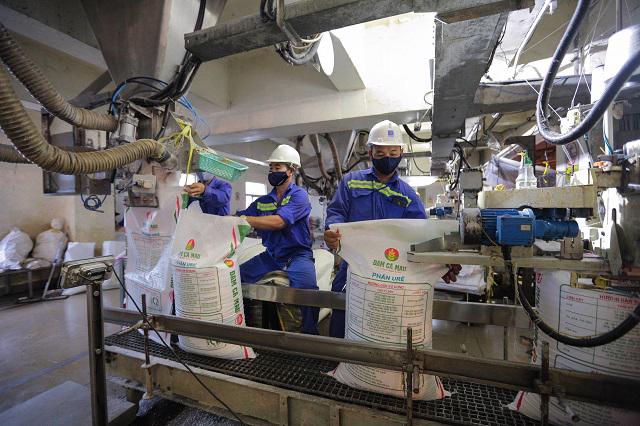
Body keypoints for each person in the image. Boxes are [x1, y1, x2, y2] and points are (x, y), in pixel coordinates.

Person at [324, 120, 459, 338]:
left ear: (402, 153)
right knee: (342, 315)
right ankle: (341, 363)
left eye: (392, 151)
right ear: (370, 152)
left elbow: (421, 236)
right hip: (353, 268)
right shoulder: (351, 182)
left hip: (392, 273)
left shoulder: (408, 195)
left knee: (386, 323)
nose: (386, 156)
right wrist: (332, 231)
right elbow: (336, 212)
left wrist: (441, 263)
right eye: (380, 152)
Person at [237, 145, 319, 335]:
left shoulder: (299, 196)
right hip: (272, 255)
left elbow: (279, 222)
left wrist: (245, 220)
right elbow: (237, 217)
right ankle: (244, 326)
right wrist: (207, 197)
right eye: (271, 168)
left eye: (278, 168)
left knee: (308, 293)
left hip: (297, 255)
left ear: (291, 170)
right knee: (236, 277)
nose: (273, 172)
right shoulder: (263, 201)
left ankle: (309, 337)